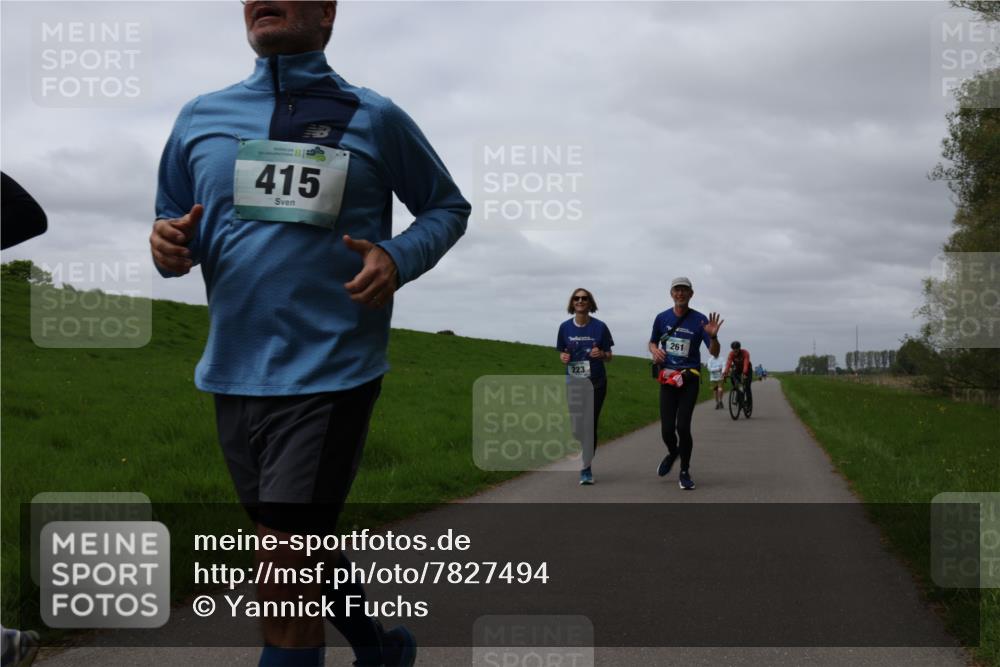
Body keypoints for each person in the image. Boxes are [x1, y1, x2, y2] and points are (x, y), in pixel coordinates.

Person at [149, 2, 469, 665]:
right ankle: (381, 649)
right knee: (300, 543)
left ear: (326, 14)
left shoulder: (372, 115)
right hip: (231, 373)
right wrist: (167, 245)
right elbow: (169, 224)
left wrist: (398, 255)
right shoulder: (198, 116)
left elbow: (446, 205)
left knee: (282, 565)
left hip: (332, 372)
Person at [649, 277, 722, 490]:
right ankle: (674, 452)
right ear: (671, 293)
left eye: (684, 290)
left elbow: (714, 352)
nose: (680, 294)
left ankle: (684, 471)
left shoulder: (700, 321)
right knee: (667, 430)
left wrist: (714, 337)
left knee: (683, 426)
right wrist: (654, 350)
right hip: (668, 379)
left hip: (689, 379)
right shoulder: (662, 318)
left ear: (691, 294)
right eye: (676, 290)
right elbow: (653, 341)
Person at [556, 288, 614, 485]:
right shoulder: (565, 328)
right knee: (576, 428)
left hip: (596, 383)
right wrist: (563, 357)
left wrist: (603, 355)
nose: (580, 301)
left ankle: (586, 467)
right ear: (572, 303)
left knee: (589, 425)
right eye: (577, 298)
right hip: (573, 382)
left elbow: (610, 356)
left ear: (590, 303)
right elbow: (562, 353)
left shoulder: (600, 327)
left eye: (584, 298)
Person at [724, 341, 753, 406]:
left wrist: (744, 373)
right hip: (738, 369)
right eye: (733, 349)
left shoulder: (745, 353)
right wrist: (725, 372)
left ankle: (749, 404)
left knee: (747, 387)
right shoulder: (731, 354)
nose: (735, 350)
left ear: (739, 348)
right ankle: (739, 392)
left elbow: (746, 364)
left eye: (736, 349)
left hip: (747, 370)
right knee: (733, 377)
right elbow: (728, 363)